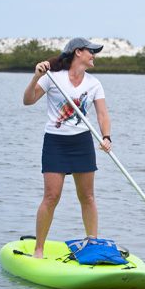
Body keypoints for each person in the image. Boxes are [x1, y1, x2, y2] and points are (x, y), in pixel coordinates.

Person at [23, 37, 112, 258]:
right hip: (55, 142)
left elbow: (102, 114)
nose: (94, 55)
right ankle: (39, 249)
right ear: (78, 52)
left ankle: (92, 243)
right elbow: (28, 100)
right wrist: (36, 77)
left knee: (88, 196)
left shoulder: (94, 84)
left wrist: (106, 137)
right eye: (91, 51)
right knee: (51, 197)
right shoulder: (52, 77)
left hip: (82, 142)